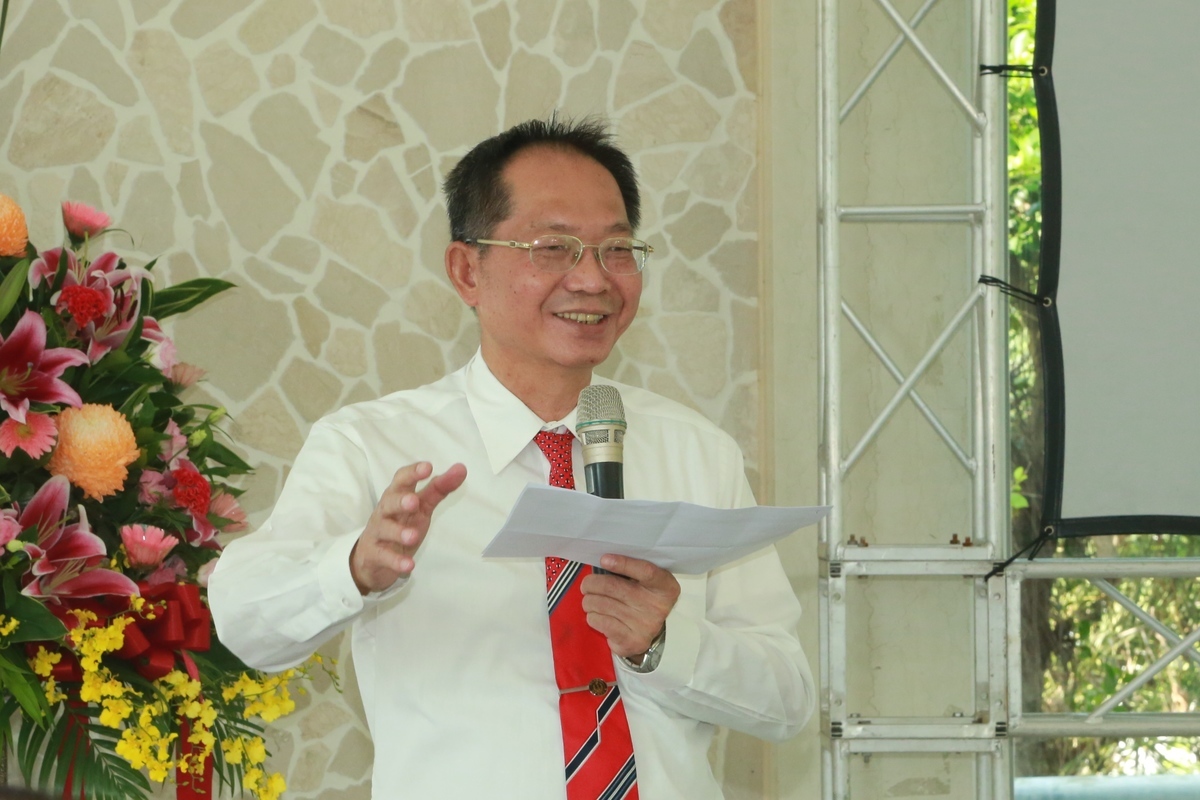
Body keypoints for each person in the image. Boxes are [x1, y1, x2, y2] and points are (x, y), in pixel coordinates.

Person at [208, 117, 815, 799]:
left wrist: (666, 642)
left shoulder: (697, 451)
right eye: (553, 248)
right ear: (467, 270)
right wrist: (353, 567)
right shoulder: (371, 446)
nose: (592, 280)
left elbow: (787, 698)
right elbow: (243, 624)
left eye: (617, 249)